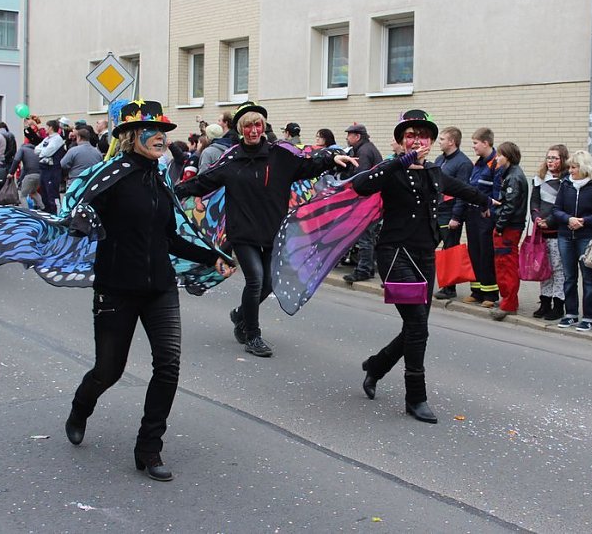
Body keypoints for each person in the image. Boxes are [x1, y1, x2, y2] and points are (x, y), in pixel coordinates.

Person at [63, 100, 234, 481]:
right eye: (152, 131)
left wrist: (212, 257)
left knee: (168, 365)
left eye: (163, 132)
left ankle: (149, 446)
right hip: (116, 288)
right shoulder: (108, 176)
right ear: (130, 136)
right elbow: (77, 210)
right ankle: (81, 407)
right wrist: (83, 220)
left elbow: (170, 237)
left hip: (160, 288)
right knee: (109, 370)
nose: (161, 138)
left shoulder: (160, 179)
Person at [174, 101, 357, 358]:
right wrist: (172, 191)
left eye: (257, 125)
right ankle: (253, 335)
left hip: (272, 230)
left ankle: (241, 314)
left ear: (263, 127)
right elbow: (202, 183)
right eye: (248, 126)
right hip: (243, 232)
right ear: (241, 129)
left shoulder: (279, 156)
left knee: (270, 283)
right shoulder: (232, 160)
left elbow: (308, 166)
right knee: (256, 279)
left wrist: (331, 159)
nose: (253, 130)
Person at [353, 110, 498, 424]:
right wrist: (400, 162)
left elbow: (460, 188)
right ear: (401, 141)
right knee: (418, 327)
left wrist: (485, 201)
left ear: (431, 141)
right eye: (410, 135)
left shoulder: (433, 171)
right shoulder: (391, 169)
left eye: (423, 135)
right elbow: (361, 185)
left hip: (424, 256)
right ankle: (415, 397)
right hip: (394, 255)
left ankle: (376, 366)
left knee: (415, 327)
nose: (417, 140)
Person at [550, 150, 592, 331]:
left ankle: (589, 316)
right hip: (565, 235)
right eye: (570, 167)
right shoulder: (565, 184)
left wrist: (585, 221)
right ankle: (571, 313)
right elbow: (556, 209)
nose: (570, 171)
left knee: (589, 278)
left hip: (586, 238)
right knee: (569, 277)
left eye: (574, 167)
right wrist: (568, 219)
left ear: (584, 167)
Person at [529, 145, 569, 320]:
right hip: (541, 231)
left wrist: (550, 221)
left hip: (557, 231)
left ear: (563, 160)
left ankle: (558, 304)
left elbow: (563, 206)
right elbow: (534, 202)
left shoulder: (566, 181)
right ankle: (544, 302)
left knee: (558, 269)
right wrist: (536, 217)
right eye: (549, 157)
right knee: (544, 267)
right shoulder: (540, 178)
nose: (551, 161)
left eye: (555, 158)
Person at [489, 142, 528, 320]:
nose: (497, 158)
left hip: (509, 227)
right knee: (503, 263)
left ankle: (509, 303)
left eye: (500, 155)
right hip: (509, 226)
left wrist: (499, 226)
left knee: (506, 265)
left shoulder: (513, 177)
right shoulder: (511, 174)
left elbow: (510, 205)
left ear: (508, 157)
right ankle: (508, 299)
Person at [463, 128, 502, 307]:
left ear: (486, 143)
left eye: (475, 143)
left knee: (486, 254)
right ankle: (477, 291)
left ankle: (490, 294)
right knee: (474, 253)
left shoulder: (495, 164)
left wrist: (490, 212)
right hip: (472, 214)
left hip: (485, 216)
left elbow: (497, 193)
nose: (473, 147)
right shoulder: (478, 164)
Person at [433, 126, 473, 301]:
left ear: (452, 142)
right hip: (436, 211)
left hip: (450, 214)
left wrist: (456, 216)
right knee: (426, 246)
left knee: (450, 250)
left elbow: (462, 191)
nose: (439, 142)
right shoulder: (439, 159)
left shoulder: (463, 163)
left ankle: (449, 288)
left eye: (442, 139)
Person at [343, 123, 383, 283]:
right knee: (368, 236)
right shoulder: (366, 148)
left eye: (349, 135)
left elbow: (361, 177)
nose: (347, 138)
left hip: (369, 200)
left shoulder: (364, 151)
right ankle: (368, 268)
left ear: (357, 136)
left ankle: (364, 270)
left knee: (365, 236)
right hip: (373, 199)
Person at [35, 120, 65, 214]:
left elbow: (47, 152)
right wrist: (42, 151)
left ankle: (57, 213)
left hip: (52, 170)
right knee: (44, 193)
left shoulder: (57, 139)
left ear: (51, 127)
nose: (45, 129)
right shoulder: (47, 139)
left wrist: (42, 152)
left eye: (47, 127)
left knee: (52, 194)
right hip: (44, 169)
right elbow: (36, 149)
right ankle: (47, 212)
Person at [6, 142, 44, 209]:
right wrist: (20, 179)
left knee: (22, 196)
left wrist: (11, 173)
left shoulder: (22, 149)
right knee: (33, 192)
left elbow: (16, 160)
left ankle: (26, 211)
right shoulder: (35, 150)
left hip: (30, 175)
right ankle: (42, 207)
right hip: (39, 175)